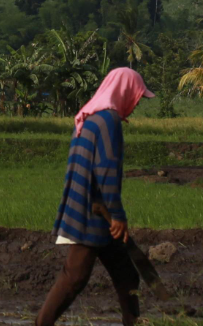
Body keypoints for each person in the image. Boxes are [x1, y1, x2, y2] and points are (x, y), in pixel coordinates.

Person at [35, 67, 156, 326]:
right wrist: (118, 215)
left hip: (93, 208)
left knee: (127, 276)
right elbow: (106, 171)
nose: (136, 104)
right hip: (90, 213)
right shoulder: (109, 121)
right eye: (137, 97)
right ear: (125, 92)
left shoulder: (88, 117)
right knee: (74, 276)